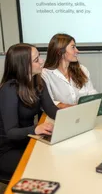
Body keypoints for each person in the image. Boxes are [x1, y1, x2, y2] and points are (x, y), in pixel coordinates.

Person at [0, 44, 58, 179]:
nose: (42, 61)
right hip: (7, 150)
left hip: (27, 141)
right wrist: (36, 129)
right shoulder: (9, 90)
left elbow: (52, 111)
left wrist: (75, 116)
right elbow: (11, 132)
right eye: (36, 60)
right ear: (23, 66)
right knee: (48, 166)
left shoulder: (37, 81)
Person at [42, 33, 98, 109]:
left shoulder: (82, 69)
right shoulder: (45, 74)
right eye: (73, 47)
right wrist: (73, 108)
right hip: (59, 116)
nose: (77, 51)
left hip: (85, 113)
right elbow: (49, 103)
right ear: (60, 51)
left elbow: (92, 93)